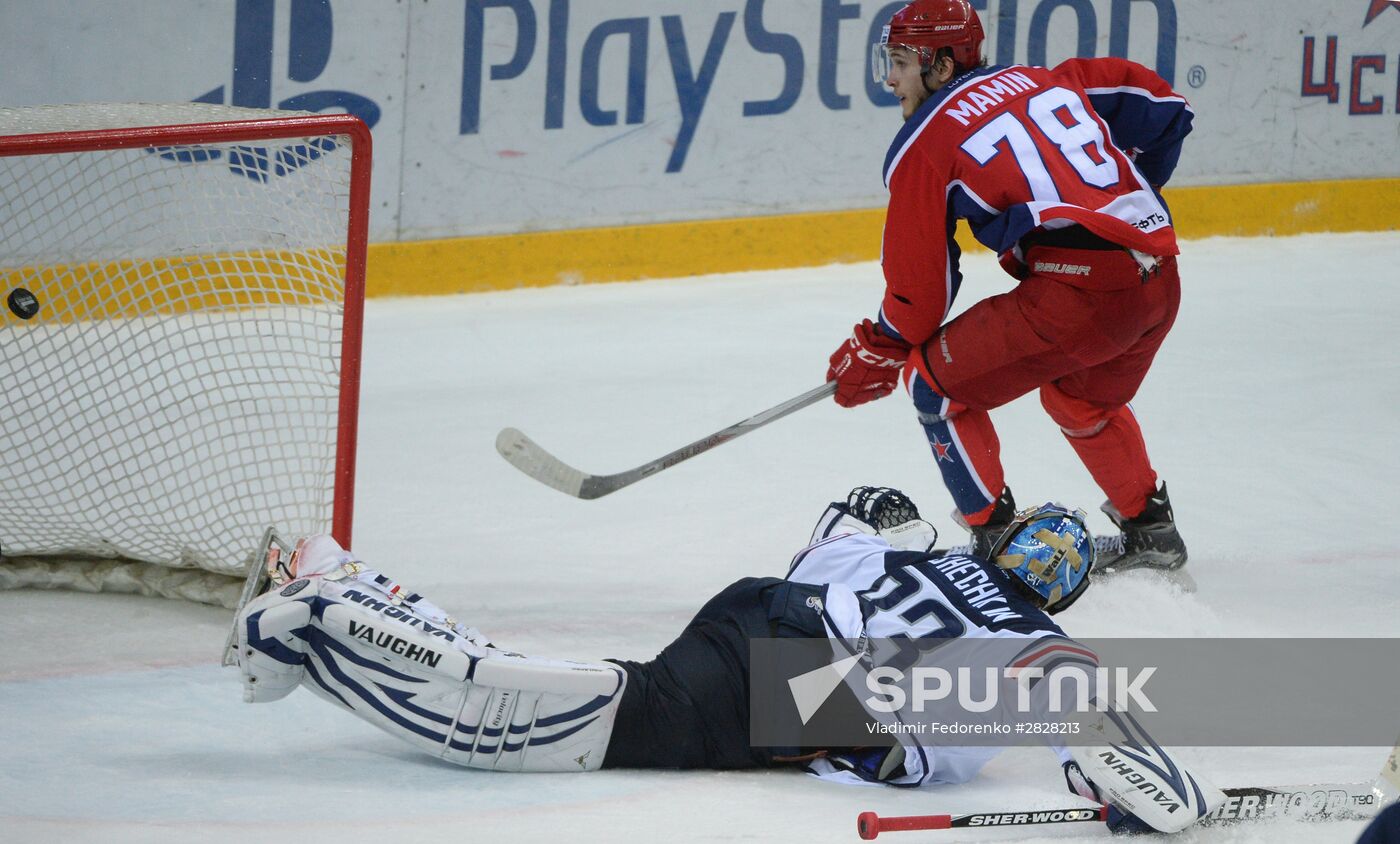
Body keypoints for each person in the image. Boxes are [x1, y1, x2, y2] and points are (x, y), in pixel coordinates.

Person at [231, 486, 1220, 833]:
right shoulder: (1044, 648)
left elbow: (846, 513)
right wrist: (1163, 802)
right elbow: (1127, 766)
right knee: (532, 728)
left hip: (761, 611)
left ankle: (336, 584)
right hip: (817, 694)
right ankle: (321, 614)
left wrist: (887, 517)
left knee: (591, 696)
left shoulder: (904, 553)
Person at [824, 0, 1195, 571]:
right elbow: (1163, 106)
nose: (891, 79)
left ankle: (1000, 550)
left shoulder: (924, 147)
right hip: (1159, 281)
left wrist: (880, 345)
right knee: (1080, 399)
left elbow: (919, 296)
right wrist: (1123, 199)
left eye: (900, 62)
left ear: (942, 66)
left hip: (1082, 300)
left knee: (934, 388)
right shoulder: (1042, 80)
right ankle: (1153, 533)